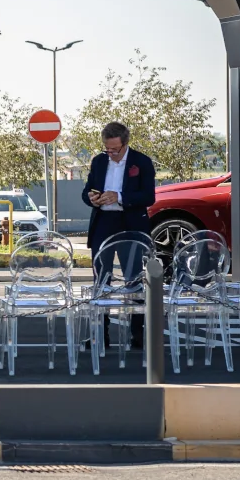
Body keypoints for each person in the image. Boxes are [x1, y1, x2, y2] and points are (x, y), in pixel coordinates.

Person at [82, 121, 156, 347]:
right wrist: (92, 198)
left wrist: (120, 197)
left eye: (115, 149)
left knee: (133, 278)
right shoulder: (98, 161)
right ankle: (100, 334)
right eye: (107, 149)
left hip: (130, 223)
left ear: (125, 144)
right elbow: (87, 191)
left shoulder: (141, 162)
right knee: (101, 278)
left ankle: (137, 334)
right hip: (103, 222)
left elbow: (149, 197)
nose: (111, 154)